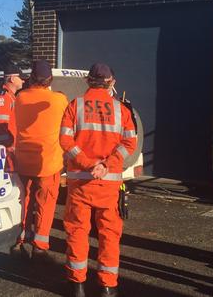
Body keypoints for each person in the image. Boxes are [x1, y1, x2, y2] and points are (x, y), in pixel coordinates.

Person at [59, 63, 137, 297]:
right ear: (111, 82)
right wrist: (105, 165)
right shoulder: (120, 109)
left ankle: (77, 285)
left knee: (77, 231)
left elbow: (65, 141)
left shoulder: (75, 106)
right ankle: (107, 286)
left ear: (87, 81)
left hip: (80, 183)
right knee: (109, 234)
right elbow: (129, 144)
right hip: (109, 183)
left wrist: (86, 163)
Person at [14, 59, 69, 261]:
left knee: (24, 202)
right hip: (48, 162)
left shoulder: (19, 98)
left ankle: (20, 240)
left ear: (30, 79)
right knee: (45, 204)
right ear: (50, 79)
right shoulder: (58, 100)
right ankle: (39, 246)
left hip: (22, 160)